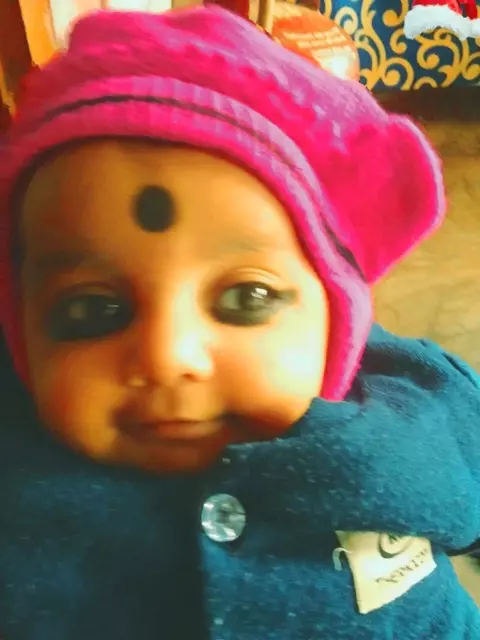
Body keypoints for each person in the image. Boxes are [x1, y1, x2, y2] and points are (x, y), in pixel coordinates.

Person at [0, 7, 479, 639]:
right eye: (92, 310)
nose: (168, 355)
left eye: (246, 297)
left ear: (336, 313)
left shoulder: (423, 409)